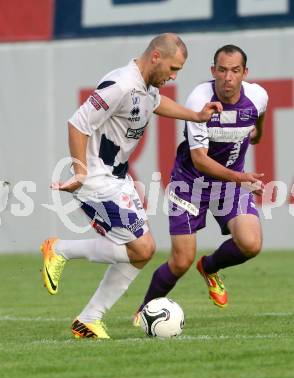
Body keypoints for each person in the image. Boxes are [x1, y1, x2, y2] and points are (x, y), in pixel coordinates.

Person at [41, 33, 222, 339]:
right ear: (156, 57)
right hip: (96, 177)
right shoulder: (122, 84)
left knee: (142, 251)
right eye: (173, 68)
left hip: (117, 178)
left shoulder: (146, 85)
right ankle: (60, 250)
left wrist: (195, 116)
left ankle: (88, 320)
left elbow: (155, 102)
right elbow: (77, 123)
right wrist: (80, 171)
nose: (174, 75)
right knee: (142, 247)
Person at [134, 44, 268, 323]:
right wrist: (242, 177)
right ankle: (144, 310)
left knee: (250, 243)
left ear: (245, 73)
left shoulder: (257, 96)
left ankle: (209, 267)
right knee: (181, 261)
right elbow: (200, 160)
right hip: (190, 183)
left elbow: (260, 115)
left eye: (235, 71)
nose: (228, 77)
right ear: (213, 71)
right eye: (222, 70)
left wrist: (257, 133)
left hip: (228, 185)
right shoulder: (200, 99)